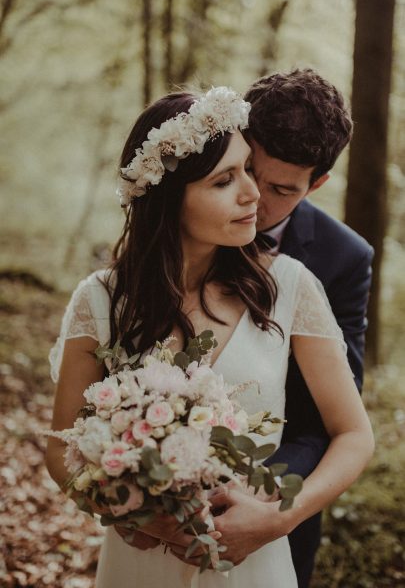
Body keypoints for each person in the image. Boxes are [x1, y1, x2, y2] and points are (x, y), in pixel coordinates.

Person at [46, 86, 374, 588]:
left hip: (254, 557)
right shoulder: (101, 300)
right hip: (139, 562)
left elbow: (354, 434)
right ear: (171, 196)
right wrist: (124, 509)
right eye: (226, 180)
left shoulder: (290, 287)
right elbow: (61, 448)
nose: (252, 195)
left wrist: (280, 517)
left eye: (248, 169)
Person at [242, 69, 375, 587]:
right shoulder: (174, 212)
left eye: (279, 189)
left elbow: (329, 418)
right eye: (247, 168)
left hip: (275, 509)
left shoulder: (344, 259)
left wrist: (264, 494)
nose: (252, 197)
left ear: (316, 183)